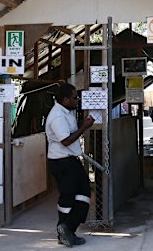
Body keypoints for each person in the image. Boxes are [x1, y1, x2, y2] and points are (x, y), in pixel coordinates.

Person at [45, 83, 95, 248]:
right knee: (67, 197)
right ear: (65, 99)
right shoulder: (57, 116)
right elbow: (66, 140)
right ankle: (64, 230)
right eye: (74, 97)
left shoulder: (67, 111)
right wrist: (84, 127)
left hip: (70, 160)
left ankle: (67, 229)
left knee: (83, 193)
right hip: (62, 161)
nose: (77, 100)